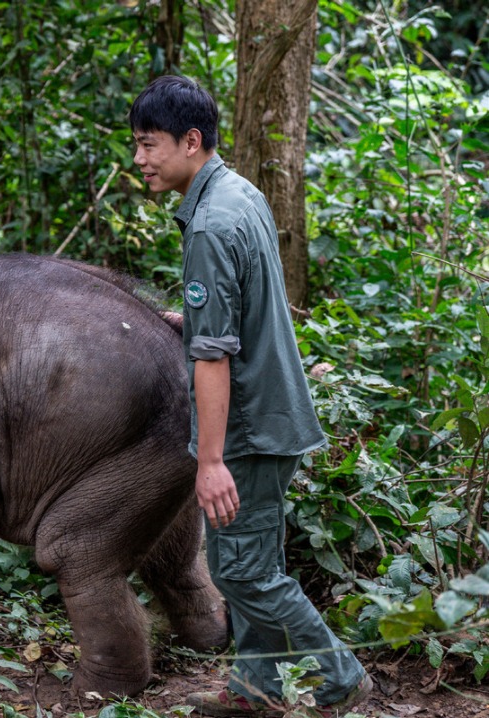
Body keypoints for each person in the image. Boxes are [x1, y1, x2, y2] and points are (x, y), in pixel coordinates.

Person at [128, 74, 371, 717]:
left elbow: (215, 357)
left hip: (252, 430)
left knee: (242, 573)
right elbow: (242, 306)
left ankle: (340, 675)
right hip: (280, 414)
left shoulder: (208, 224)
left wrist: (210, 463)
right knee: (256, 559)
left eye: (149, 144)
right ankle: (253, 690)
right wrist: (197, 320)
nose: (140, 159)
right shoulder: (240, 194)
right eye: (136, 145)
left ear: (190, 140)